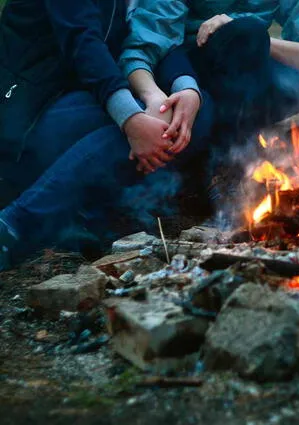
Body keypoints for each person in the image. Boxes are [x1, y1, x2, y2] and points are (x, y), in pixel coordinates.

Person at [0, 0, 215, 271]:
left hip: (89, 100)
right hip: (32, 110)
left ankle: (96, 215)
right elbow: (83, 42)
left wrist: (184, 88)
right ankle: (14, 225)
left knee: (194, 112)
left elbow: (153, 36)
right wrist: (132, 119)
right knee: (145, 121)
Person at [120, 0, 299, 142]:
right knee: (246, 33)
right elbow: (139, 52)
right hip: (205, 92)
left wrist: (266, 42)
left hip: (260, 79)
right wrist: (152, 98)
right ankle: (226, 168)